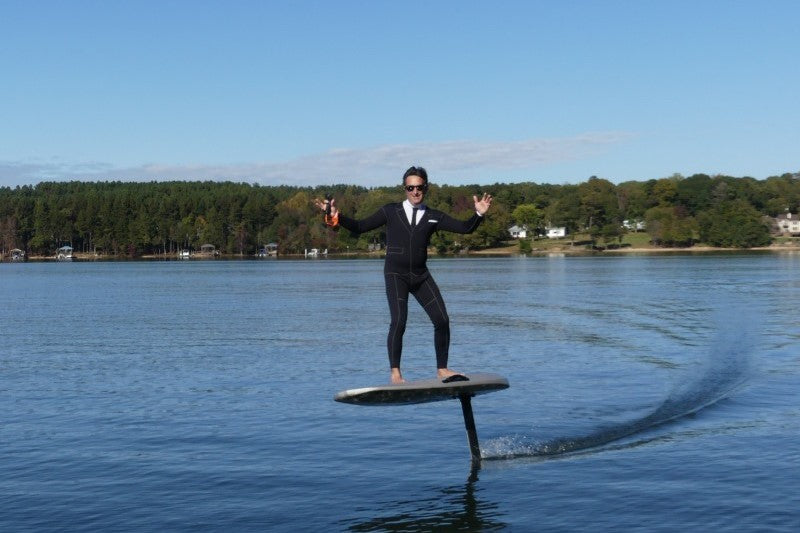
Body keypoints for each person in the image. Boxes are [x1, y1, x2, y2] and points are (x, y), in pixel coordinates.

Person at [315, 166, 492, 384]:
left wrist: (478, 214)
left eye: (419, 187)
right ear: (404, 189)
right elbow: (360, 226)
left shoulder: (433, 216)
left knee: (442, 320)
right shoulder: (390, 211)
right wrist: (337, 217)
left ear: (426, 188)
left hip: (420, 275)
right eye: (410, 187)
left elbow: (465, 228)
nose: (415, 192)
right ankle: (396, 373)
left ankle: (442, 369)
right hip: (395, 274)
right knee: (399, 321)